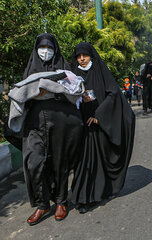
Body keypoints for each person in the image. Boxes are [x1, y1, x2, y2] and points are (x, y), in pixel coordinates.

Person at [18, 33, 84, 225]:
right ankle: (42, 203)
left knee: (59, 163)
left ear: (55, 51)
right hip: (35, 124)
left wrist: (55, 90)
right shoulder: (30, 70)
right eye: (42, 47)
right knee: (34, 162)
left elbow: (75, 92)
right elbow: (22, 94)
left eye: (50, 48)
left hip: (60, 121)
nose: (45, 52)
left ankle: (61, 201)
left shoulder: (64, 69)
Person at [70, 42, 135, 213]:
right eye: (78, 56)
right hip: (82, 125)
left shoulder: (100, 70)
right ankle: (83, 198)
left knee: (100, 161)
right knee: (83, 164)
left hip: (100, 125)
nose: (82, 59)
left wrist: (99, 116)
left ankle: (99, 194)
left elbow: (112, 93)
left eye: (84, 55)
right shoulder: (73, 73)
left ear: (91, 55)